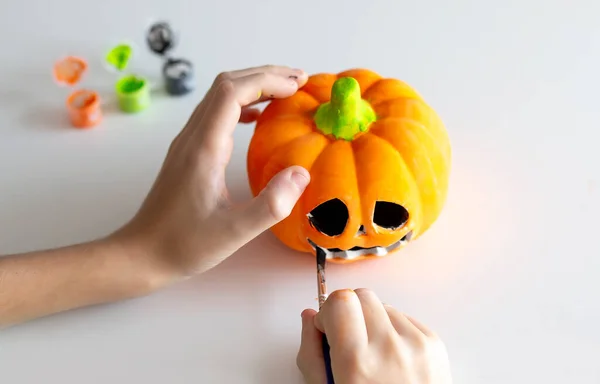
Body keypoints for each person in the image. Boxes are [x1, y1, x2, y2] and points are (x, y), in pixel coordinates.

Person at [0, 65, 453, 383]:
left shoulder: (402, 130)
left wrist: (139, 256)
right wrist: (143, 257)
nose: (355, 235)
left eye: (386, 215)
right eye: (334, 219)